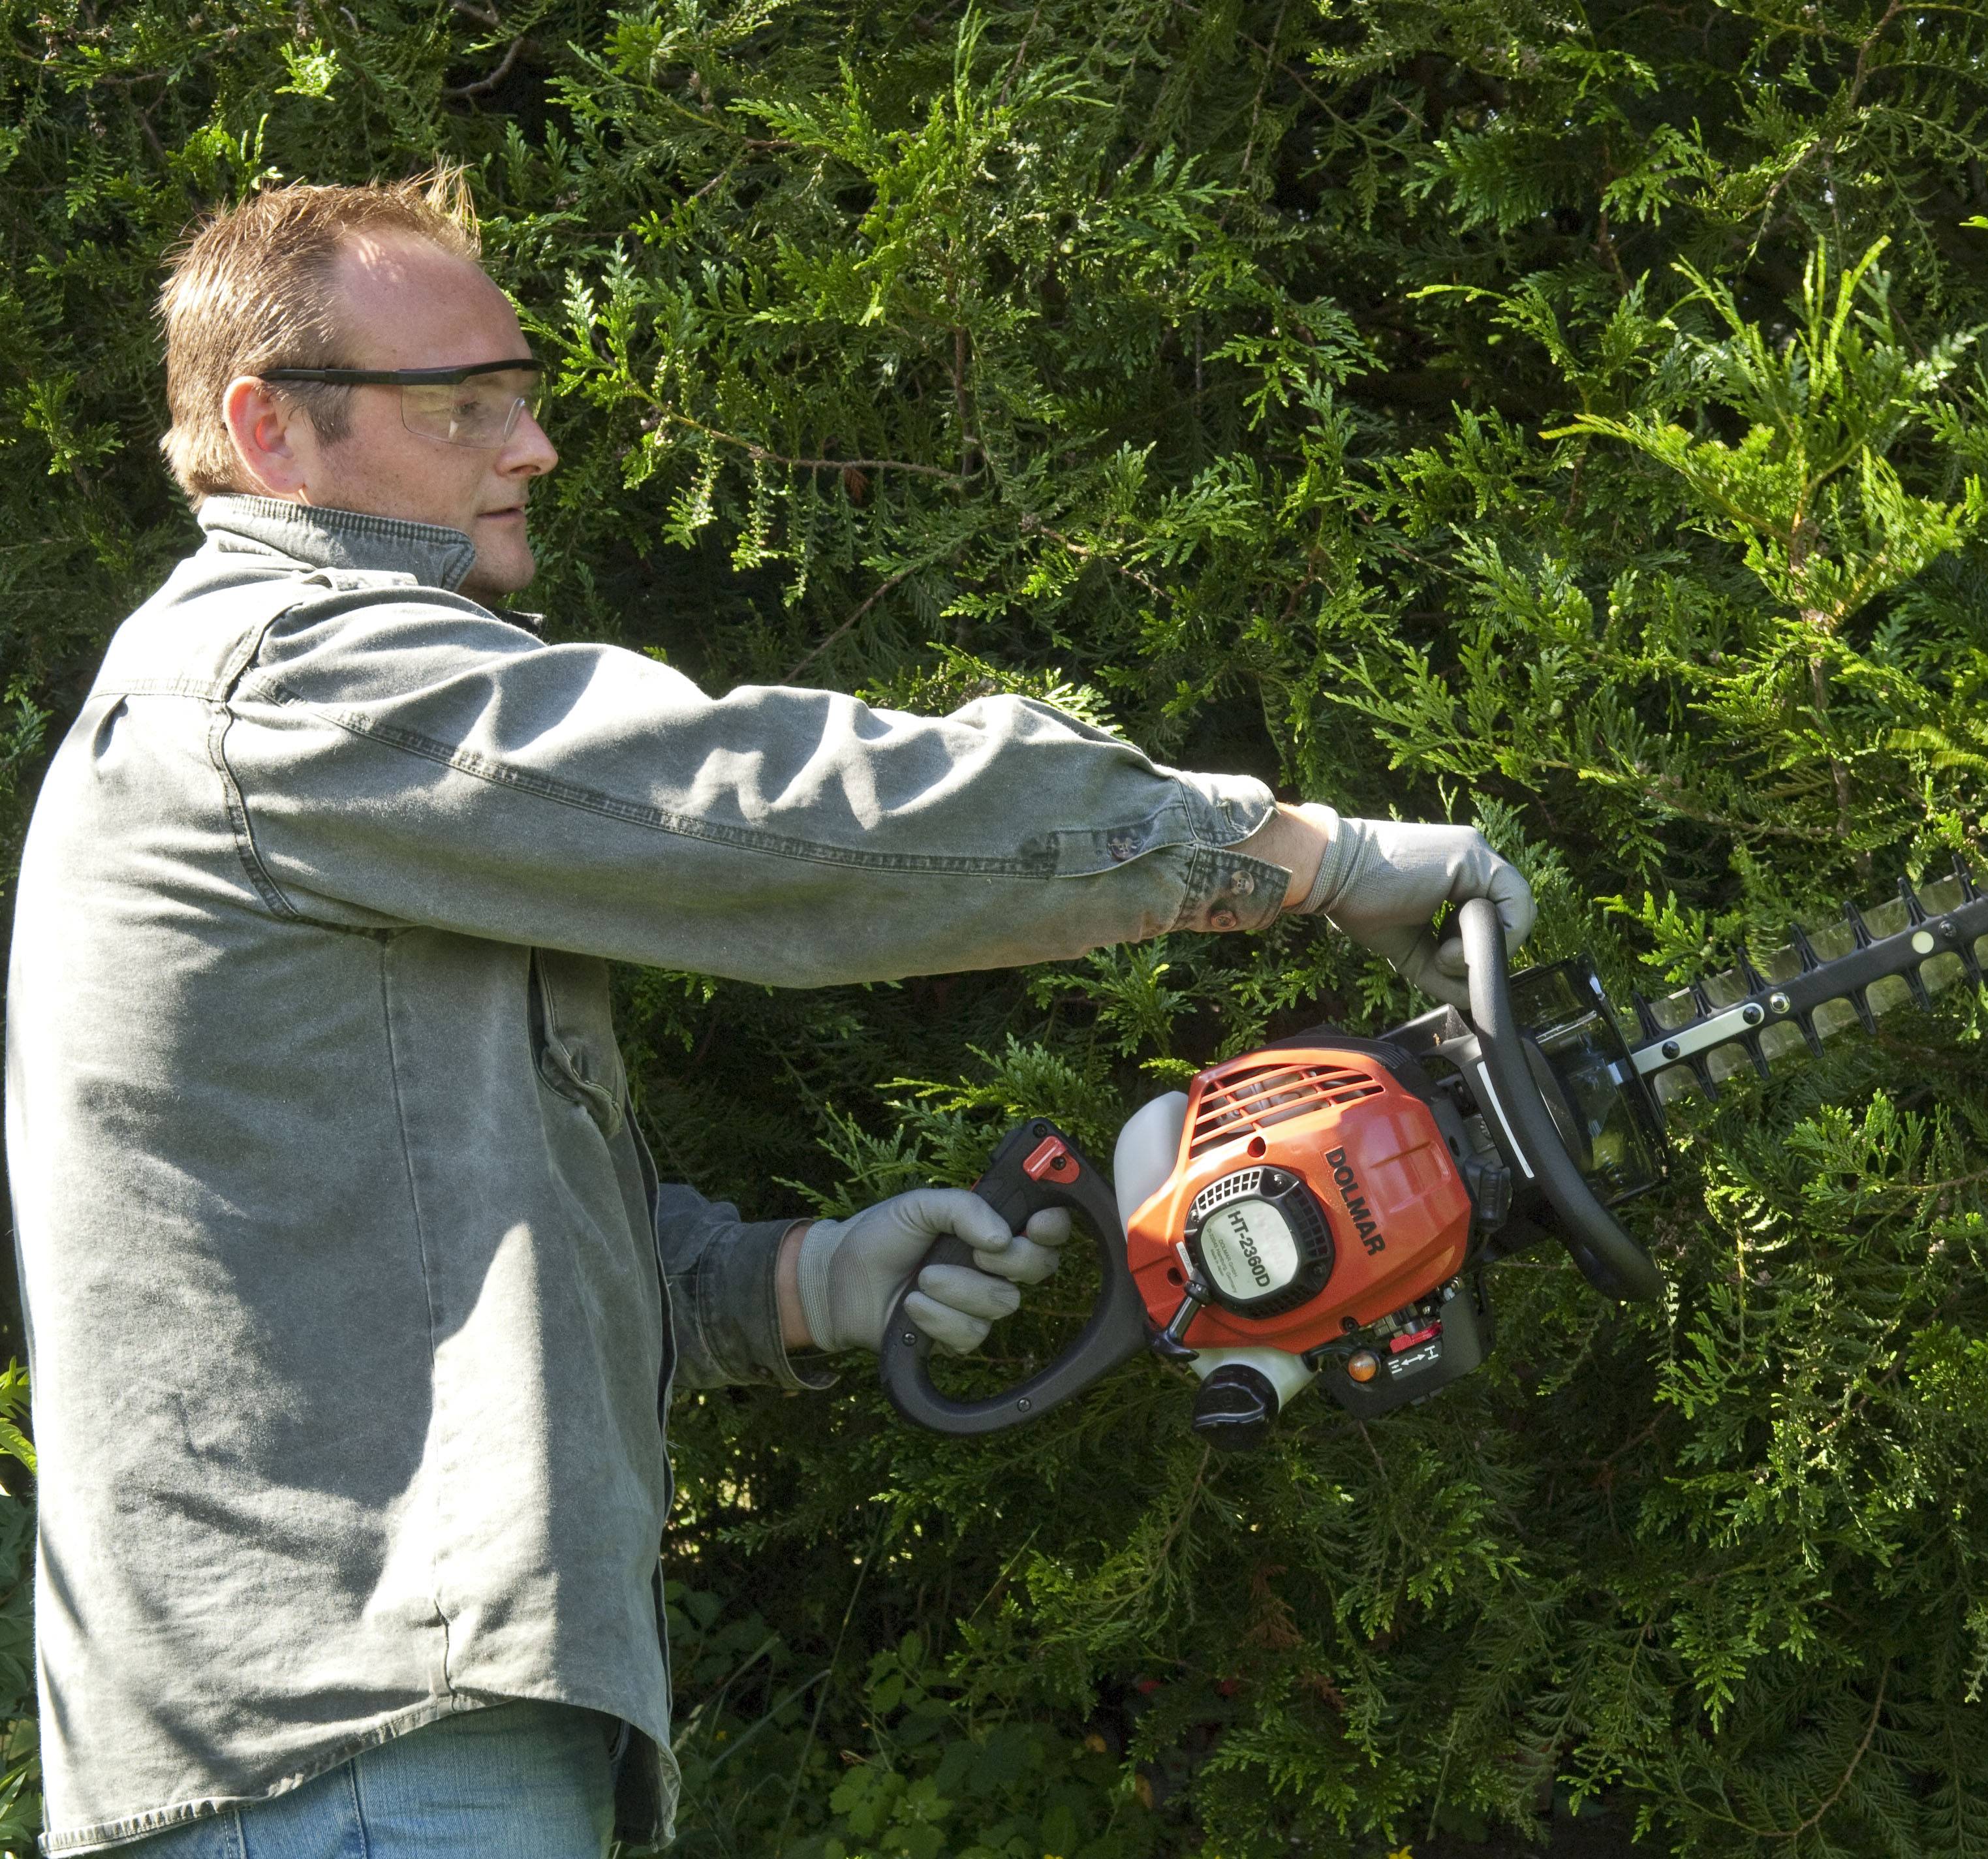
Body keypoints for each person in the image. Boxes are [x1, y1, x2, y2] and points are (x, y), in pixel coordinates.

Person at [2, 171, 1532, 1857]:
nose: (533, 451)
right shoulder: (283, 685)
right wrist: (1295, 854)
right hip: (352, 1752)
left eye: (525, 398)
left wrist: (793, 1284)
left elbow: (407, 1236)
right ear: (270, 431)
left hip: (351, 1740)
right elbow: (785, 817)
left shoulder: (256, 726)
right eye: (468, 406)